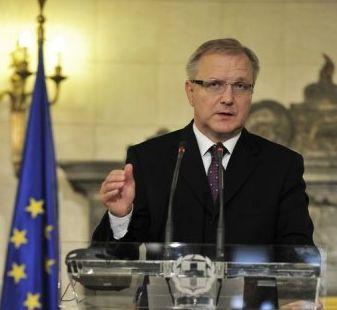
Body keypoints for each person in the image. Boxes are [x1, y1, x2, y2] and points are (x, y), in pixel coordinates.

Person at [92, 38, 314, 246]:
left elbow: (298, 256)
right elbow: (110, 273)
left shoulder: (281, 165)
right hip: (169, 289)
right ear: (191, 92)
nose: (228, 98)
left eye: (240, 86)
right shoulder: (149, 159)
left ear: (251, 93)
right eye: (215, 84)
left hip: (248, 289)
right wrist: (120, 216)